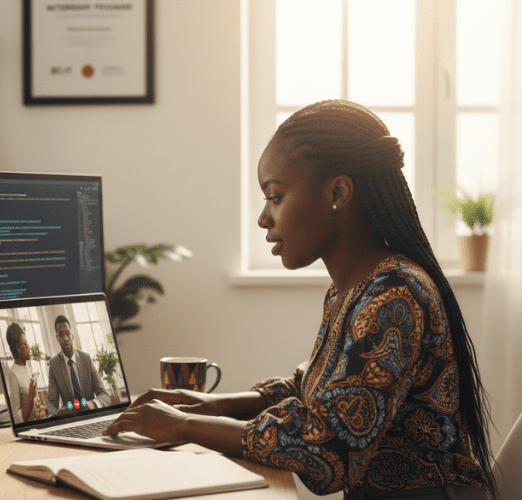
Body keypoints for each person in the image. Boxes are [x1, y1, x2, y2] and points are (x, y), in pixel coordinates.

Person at [103, 100, 496, 500]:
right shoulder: (357, 288)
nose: (263, 218)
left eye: (275, 196)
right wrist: (212, 405)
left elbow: (330, 451)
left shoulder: (394, 295)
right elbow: (316, 390)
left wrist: (182, 426)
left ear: (338, 192)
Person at [46, 315, 111, 416]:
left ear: (72, 335)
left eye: (68, 333)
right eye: (61, 335)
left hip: (92, 416)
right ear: (57, 338)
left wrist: (91, 404)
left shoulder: (86, 359)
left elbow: (104, 395)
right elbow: (51, 403)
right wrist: (57, 418)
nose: (66, 338)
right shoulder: (54, 364)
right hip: (71, 420)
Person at [5, 323, 46, 423]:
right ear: (18, 348)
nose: (28, 347)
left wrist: (38, 405)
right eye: (25, 344)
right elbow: (17, 419)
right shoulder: (13, 374)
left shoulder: (27, 368)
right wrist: (31, 396)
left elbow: (33, 402)